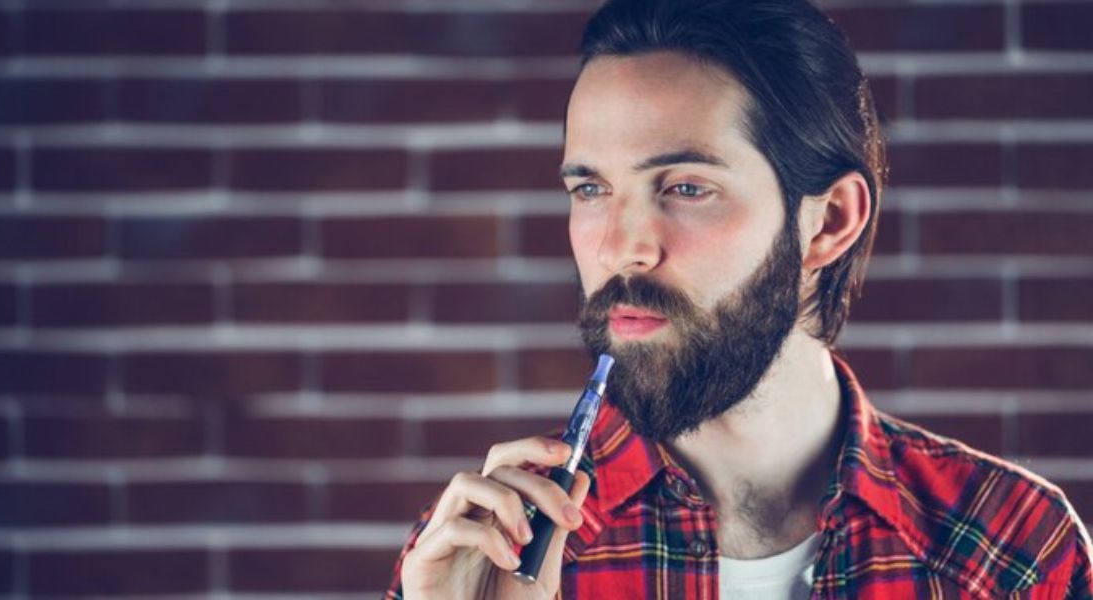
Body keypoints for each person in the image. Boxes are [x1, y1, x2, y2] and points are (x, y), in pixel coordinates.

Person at [384, 0, 1093, 597]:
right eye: (592, 189)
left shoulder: (1012, 546)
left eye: (687, 188)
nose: (622, 248)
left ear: (829, 222)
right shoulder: (484, 553)